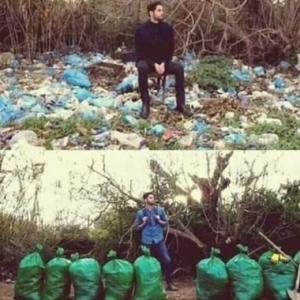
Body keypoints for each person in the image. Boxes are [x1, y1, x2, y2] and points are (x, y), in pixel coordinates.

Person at [135, 1, 192, 119]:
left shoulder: (167, 28)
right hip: (148, 61)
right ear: (151, 13)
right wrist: (154, 64)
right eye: (159, 10)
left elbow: (170, 49)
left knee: (179, 68)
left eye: (162, 10)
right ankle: (145, 104)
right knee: (142, 67)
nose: (162, 13)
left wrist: (164, 63)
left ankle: (181, 104)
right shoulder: (141, 30)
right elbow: (141, 52)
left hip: (163, 62)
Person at [135, 192, 178, 291]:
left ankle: (169, 283)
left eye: (153, 198)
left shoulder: (160, 210)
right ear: (145, 200)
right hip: (146, 240)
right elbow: (137, 229)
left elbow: (165, 224)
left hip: (158, 239)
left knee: (167, 260)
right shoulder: (141, 213)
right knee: (145, 264)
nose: (153, 199)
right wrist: (144, 223)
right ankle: (146, 286)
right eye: (150, 198)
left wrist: (159, 221)